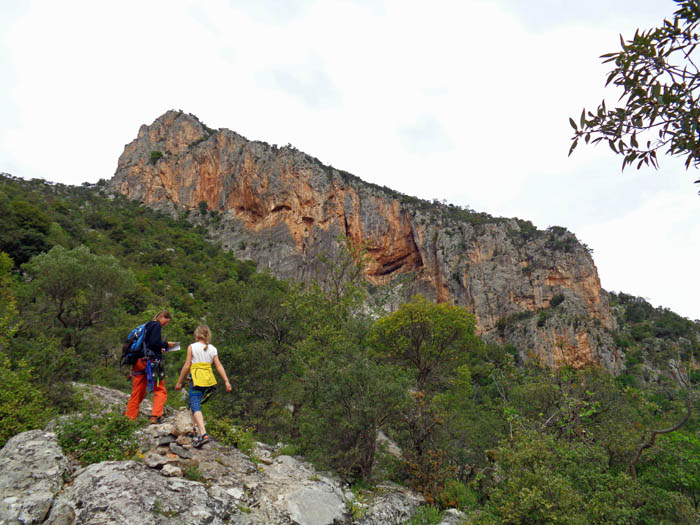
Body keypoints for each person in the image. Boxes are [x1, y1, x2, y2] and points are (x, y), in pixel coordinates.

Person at [175, 324, 232, 448]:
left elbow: (186, 366)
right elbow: (219, 366)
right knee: (195, 404)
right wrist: (226, 381)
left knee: (195, 404)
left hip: (196, 379)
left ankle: (203, 433)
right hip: (208, 380)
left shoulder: (192, 347)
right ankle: (194, 429)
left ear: (197, 335)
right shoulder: (212, 349)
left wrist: (180, 381)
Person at [125, 310, 176, 422]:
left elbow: (149, 344)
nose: (165, 324)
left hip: (138, 362)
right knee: (160, 390)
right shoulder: (157, 325)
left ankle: (129, 418)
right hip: (151, 362)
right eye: (166, 322)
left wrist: (160, 347)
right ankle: (155, 416)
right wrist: (167, 345)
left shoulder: (146, 326)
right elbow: (154, 343)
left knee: (137, 392)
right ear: (162, 317)